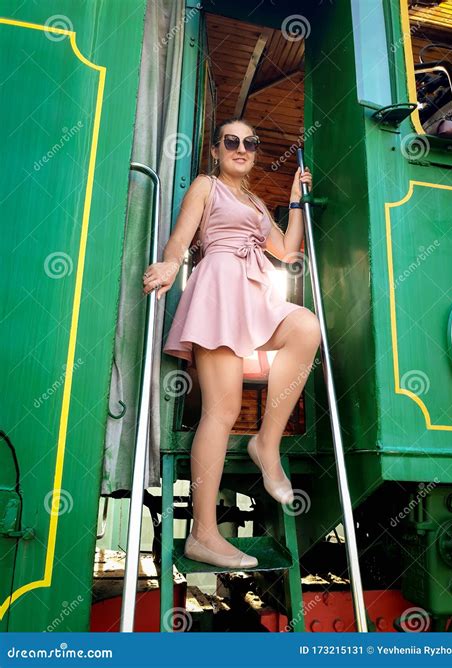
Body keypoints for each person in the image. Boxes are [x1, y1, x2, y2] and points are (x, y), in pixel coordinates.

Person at [143, 117, 321, 569]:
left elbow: (287, 252)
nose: (242, 148)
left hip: (256, 289)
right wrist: (168, 265)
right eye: (232, 142)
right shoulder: (207, 185)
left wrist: (295, 202)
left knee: (306, 327)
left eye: (251, 143)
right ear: (217, 151)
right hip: (220, 286)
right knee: (221, 411)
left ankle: (267, 443)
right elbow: (181, 238)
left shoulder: (258, 202)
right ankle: (202, 535)